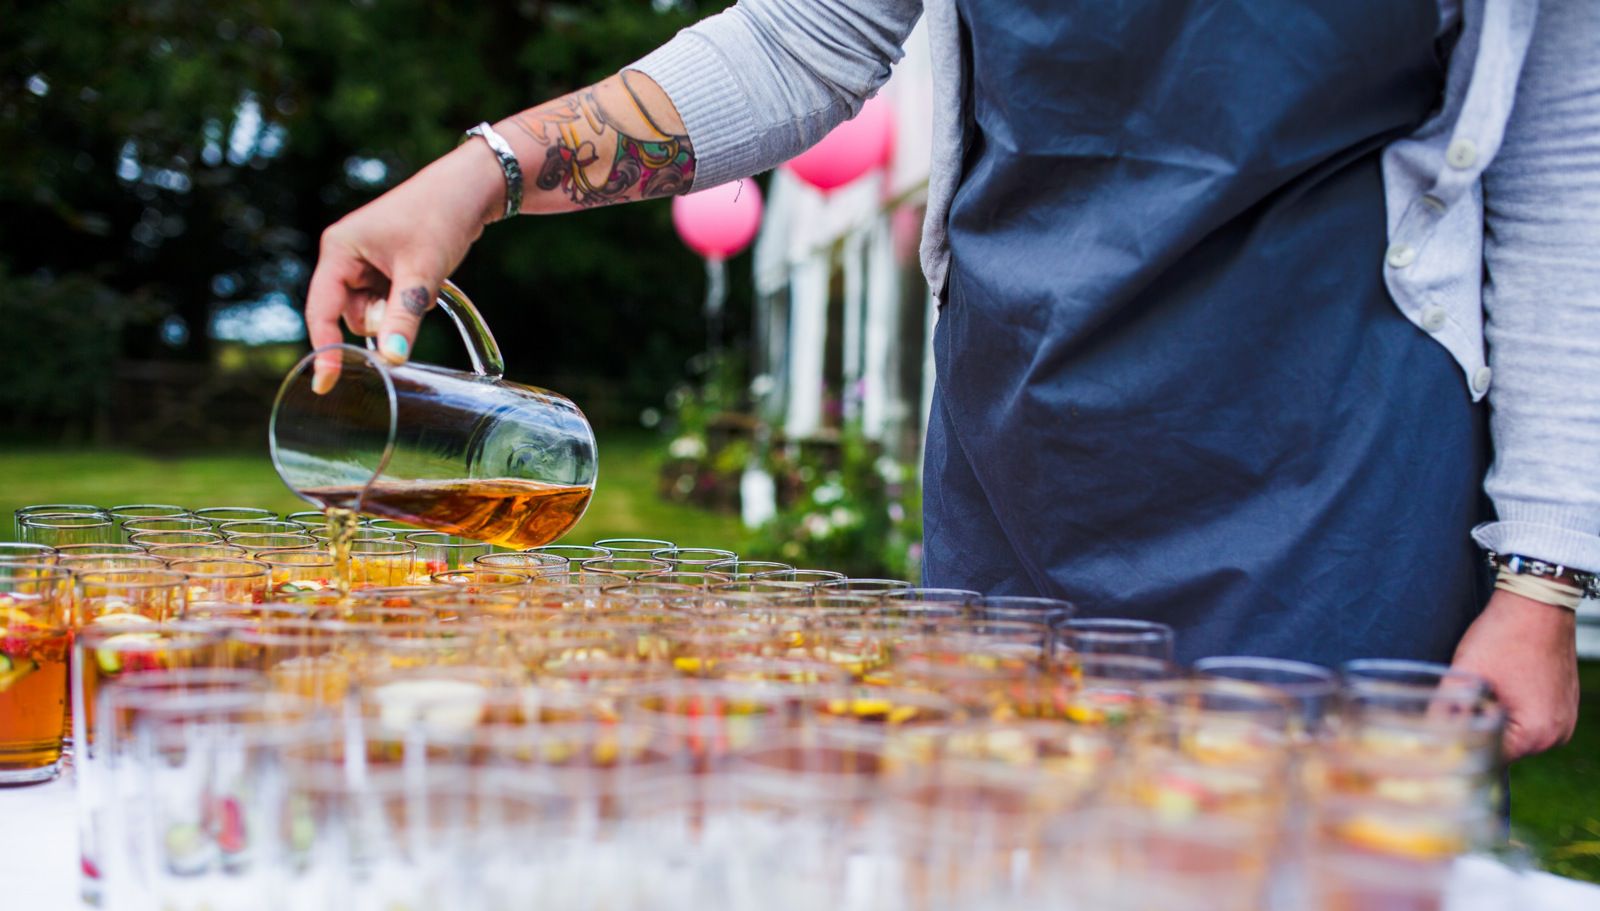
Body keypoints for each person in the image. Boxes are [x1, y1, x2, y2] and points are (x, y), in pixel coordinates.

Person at [304, 0, 1599, 760]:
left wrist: (1544, 575)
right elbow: (808, 38)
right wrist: (487, 172)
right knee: (1001, 886)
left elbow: (1566, 177)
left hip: (1335, 479)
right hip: (1020, 443)